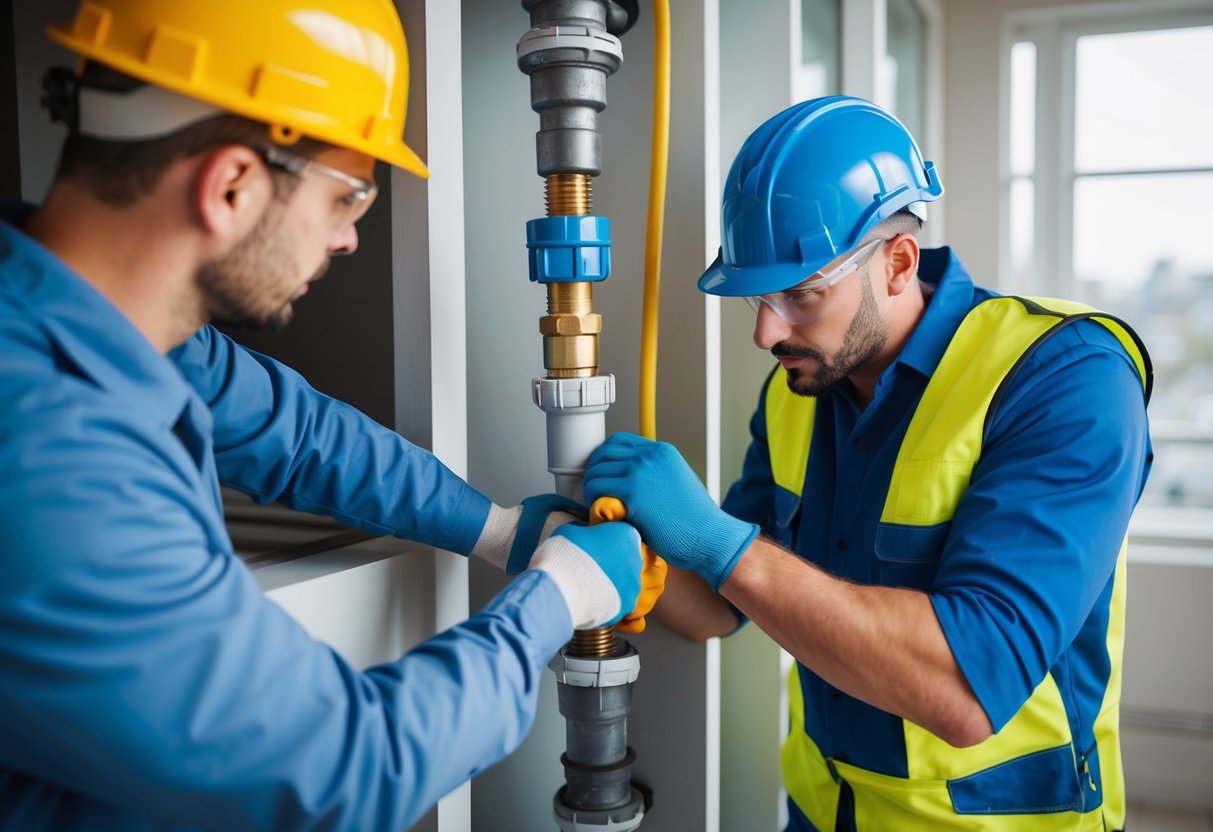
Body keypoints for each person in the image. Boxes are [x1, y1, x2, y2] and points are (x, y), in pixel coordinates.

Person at [0, 2, 659, 829]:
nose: (349, 238)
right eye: (348, 197)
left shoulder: (95, 318)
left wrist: (493, 528)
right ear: (232, 183)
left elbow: (299, 436)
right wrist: (553, 600)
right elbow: (342, 768)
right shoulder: (47, 450)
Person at [584, 96, 1152, 831]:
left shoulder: (1061, 379)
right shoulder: (798, 389)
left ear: (896, 262)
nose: (764, 332)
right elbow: (721, 605)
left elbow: (965, 688)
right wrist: (631, 559)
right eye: (756, 298)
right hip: (825, 814)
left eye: (799, 295)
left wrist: (720, 543)